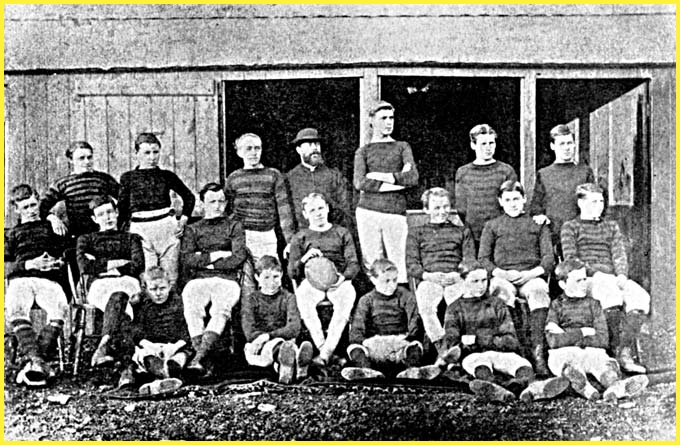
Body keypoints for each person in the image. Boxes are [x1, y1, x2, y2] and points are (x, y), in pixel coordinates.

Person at [441, 260, 568, 402]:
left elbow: (511, 340)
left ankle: (533, 389)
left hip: (500, 353)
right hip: (475, 356)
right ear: (463, 281)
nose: (481, 286)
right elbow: (453, 344)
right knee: (480, 366)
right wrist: (490, 341)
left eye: (484, 280)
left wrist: (476, 339)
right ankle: (501, 390)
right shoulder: (455, 308)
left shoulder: (497, 304)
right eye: (475, 281)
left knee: (522, 365)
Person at [561, 183, 650, 374]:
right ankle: (611, 350)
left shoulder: (611, 226)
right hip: (587, 279)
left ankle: (624, 350)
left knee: (640, 297)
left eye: (601, 202)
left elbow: (619, 254)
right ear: (581, 203)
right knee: (612, 296)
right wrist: (595, 273)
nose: (599, 206)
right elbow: (571, 259)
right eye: (593, 202)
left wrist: (622, 274)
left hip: (612, 278)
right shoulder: (570, 227)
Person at [544, 258, 648, 401]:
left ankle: (615, 387)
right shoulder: (556, 306)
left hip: (590, 352)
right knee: (566, 365)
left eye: (585, 279)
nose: (583, 284)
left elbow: (602, 339)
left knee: (604, 365)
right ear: (563, 284)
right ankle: (586, 389)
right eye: (578, 281)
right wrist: (583, 332)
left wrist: (567, 336)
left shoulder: (594, 305)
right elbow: (553, 341)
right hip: (565, 353)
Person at [478, 180, 554, 376]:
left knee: (539, 292)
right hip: (503, 276)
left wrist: (531, 273)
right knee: (500, 292)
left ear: (524, 199)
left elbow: (548, 258)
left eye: (516, 199)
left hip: (530, 275)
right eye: (508, 200)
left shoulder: (537, 224)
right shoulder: (492, 226)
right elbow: (483, 259)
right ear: (500, 202)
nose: (512, 204)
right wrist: (501, 273)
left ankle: (537, 351)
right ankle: (514, 350)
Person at [180, 183, 248, 376]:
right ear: (202, 204)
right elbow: (187, 259)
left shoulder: (234, 226)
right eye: (212, 202)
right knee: (192, 306)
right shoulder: (193, 229)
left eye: (221, 201)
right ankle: (203, 358)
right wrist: (216, 255)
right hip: (199, 280)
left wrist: (205, 262)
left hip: (227, 280)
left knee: (220, 309)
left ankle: (199, 358)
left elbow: (238, 257)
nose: (217, 206)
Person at [5, 184, 69, 386]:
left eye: (33, 205)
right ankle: (39, 362)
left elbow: (67, 254)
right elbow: (5, 266)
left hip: (48, 280)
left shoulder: (51, 227)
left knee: (60, 308)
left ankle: (33, 363)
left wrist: (58, 262)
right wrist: (28, 264)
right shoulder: (12, 233)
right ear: (17, 209)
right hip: (21, 279)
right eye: (25, 207)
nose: (31, 210)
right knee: (15, 308)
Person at [288, 193, 359, 367]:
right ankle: (325, 351)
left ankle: (324, 354)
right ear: (305, 214)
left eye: (320, 208)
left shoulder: (342, 233)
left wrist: (343, 277)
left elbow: (353, 264)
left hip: (338, 281)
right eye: (312, 210)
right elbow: (291, 272)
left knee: (346, 300)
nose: (318, 213)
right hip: (312, 282)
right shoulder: (300, 237)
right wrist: (304, 259)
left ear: (327, 208)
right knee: (303, 297)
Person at [353, 100, 419, 283]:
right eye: (383, 118)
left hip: (395, 212)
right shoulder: (363, 151)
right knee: (372, 264)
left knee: (399, 262)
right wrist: (398, 181)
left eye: (391, 118)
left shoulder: (402, 147)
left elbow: (412, 177)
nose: (389, 122)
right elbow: (360, 182)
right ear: (372, 120)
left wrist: (380, 176)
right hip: (368, 212)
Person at [118, 133, 196, 286]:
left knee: (171, 276)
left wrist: (183, 219)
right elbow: (122, 208)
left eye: (155, 152)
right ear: (136, 153)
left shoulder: (166, 176)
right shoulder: (128, 177)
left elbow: (189, 197)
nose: (152, 157)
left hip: (166, 229)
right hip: (141, 230)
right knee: (148, 276)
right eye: (147, 153)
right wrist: (124, 233)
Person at [76, 195, 145, 367]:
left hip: (127, 282)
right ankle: (130, 363)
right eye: (101, 214)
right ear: (94, 219)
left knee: (120, 296)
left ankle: (103, 346)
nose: (107, 217)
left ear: (117, 213)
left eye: (109, 212)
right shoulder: (86, 239)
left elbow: (137, 265)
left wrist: (101, 265)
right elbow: (85, 266)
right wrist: (120, 263)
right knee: (120, 302)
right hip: (100, 285)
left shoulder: (131, 238)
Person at [406, 187, 475, 357]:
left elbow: (469, 259)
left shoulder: (462, 231)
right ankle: (442, 347)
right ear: (426, 209)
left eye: (446, 207)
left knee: (460, 306)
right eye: (436, 208)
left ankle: (457, 346)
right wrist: (428, 276)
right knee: (426, 305)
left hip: (455, 278)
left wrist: (459, 273)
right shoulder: (416, 233)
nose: (442, 211)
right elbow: (411, 263)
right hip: (430, 279)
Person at [343, 258, 433, 381]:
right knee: (354, 348)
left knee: (415, 346)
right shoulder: (366, 300)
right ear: (373, 280)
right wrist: (366, 342)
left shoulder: (406, 295)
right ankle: (366, 371)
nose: (392, 285)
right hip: (375, 345)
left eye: (395, 280)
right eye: (386, 281)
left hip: (400, 344)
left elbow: (414, 323)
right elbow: (357, 329)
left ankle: (412, 370)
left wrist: (407, 339)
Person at [117, 266, 191, 395]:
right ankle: (165, 378)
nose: (158, 293)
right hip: (152, 347)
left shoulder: (178, 303)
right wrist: (149, 345)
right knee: (144, 356)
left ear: (169, 286)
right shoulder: (143, 306)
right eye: (153, 289)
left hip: (174, 347)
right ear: (146, 289)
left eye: (162, 288)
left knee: (180, 357)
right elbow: (137, 333)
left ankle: (162, 378)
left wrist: (174, 347)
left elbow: (185, 332)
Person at [224, 133, 296, 263]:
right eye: (249, 148)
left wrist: (290, 241)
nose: (254, 152)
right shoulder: (233, 178)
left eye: (257, 148)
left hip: (266, 236)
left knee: (269, 270)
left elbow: (284, 210)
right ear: (239, 152)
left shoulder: (274, 175)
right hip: (241, 236)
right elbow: (226, 210)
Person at [241, 255, 314, 384]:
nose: (271, 282)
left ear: (281, 275)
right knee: (275, 348)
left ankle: (289, 366)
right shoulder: (251, 299)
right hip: (259, 345)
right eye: (266, 277)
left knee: (285, 345)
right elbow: (249, 331)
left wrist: (269, 336)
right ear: (257, 277)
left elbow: (294, 328)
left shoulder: (288, 297)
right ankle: (296, 366)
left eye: (275, 277)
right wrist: (264, 339)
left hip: (283, 340)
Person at [528, 124, 596, 257]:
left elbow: (594, 203)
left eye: (569, 143)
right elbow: (536, 208)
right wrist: (540, 216)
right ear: (552, 146)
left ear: (574, 145)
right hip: (553, 236)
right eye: (562, 144)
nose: (566, 148)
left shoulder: (585, 172)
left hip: (579, 236)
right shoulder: (544, 174)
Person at [452, 124, 517, 248]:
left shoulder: (506, 170)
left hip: (501, 235)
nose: (488, 148)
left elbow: (512, 203)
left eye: (491, 143)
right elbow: (461, 208)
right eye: (483, 144)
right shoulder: (463, 172)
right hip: (474, 236)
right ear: (473, 145)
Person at [39, 141, 120, 240]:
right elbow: (41, 208)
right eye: (81, 158)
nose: (87, 162)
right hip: (78, 237)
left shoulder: (104, 179)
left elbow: (124, 200)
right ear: (71, 160)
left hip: (105, 235)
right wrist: (53, 219)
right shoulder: (63, 184)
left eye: (89, 157)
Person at [285, 127, 352, 231]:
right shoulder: (290, 178)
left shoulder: (334, 175)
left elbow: (345, 209)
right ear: (298, 150)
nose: (314, 148)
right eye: (309, 144)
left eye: (317, 144)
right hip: (303, 235)